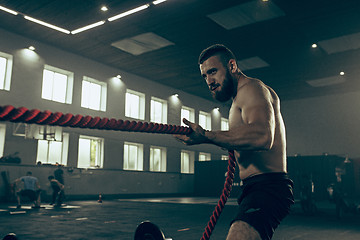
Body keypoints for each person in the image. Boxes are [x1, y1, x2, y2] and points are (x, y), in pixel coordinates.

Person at [174, 44, 294, 240]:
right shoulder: (237, 99)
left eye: (213, 72)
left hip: (269, 188)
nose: (209, 81)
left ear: (231, 66)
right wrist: (204, 139)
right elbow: (240, 139)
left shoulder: (252, 88)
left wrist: (206, 135)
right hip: (253, 188)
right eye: (205, 76)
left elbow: (263, 137)